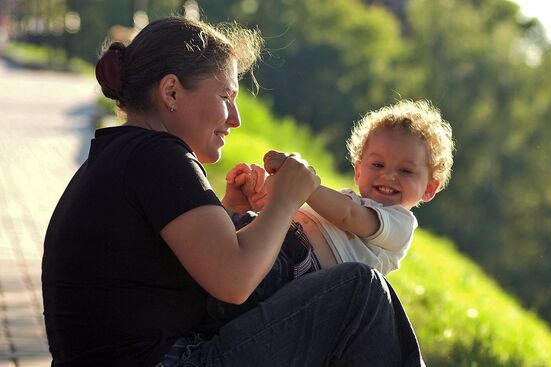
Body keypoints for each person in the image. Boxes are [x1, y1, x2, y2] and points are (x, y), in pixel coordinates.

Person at [41, 16, 425, 367]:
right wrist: (285, 200)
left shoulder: (124, 154)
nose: (236, 119)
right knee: (359, 290)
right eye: (226, 98)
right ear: (171, 92)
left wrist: (225, 215)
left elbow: (182, 271)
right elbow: (235, 282)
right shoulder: (160, 157)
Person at [229, 100, 454, 279]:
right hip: (281, 242)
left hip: (302, 269)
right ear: (358, 172)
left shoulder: (400, 224)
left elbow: (349, 216)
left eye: (405, 170)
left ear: (429, 188)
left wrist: (303, 181)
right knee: (234, 227)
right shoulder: (345, 198)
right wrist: (262, 194)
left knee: (249, 265)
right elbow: (291, 207)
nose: (388, 175)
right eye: (377, 165)